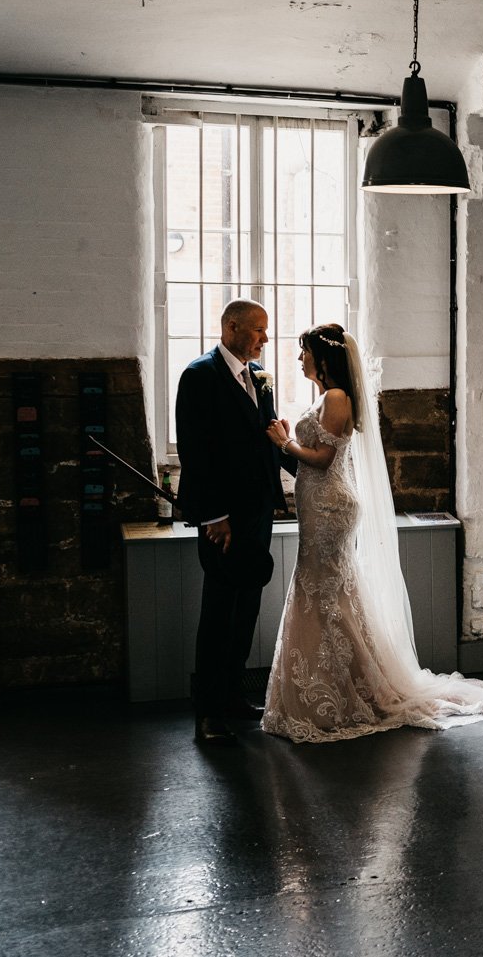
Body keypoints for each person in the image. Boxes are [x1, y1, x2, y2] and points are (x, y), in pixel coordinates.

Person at [261, 323, 483, 743]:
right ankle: (332, 683)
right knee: (329, 593)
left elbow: (322, 458)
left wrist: (285, 442)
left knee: (325, 590)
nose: (299, 358)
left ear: (323, 357)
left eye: (304, 352)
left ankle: (340, 691)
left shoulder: (336, 396)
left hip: (329, 508)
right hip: (319, 506)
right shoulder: (325, 397)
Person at [176, 298, 295, 745]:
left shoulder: (258, 379)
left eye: (265, 331)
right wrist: (215, 516)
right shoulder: (199, 376)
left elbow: (266, 438)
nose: (265, 339)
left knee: (245, 609)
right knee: (218, 612)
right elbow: (195, 450)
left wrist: (296, 474)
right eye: (258, 331)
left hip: (258, 512)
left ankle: (231, 695)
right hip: (222, 518)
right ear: (231, 328)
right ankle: (207, 713)